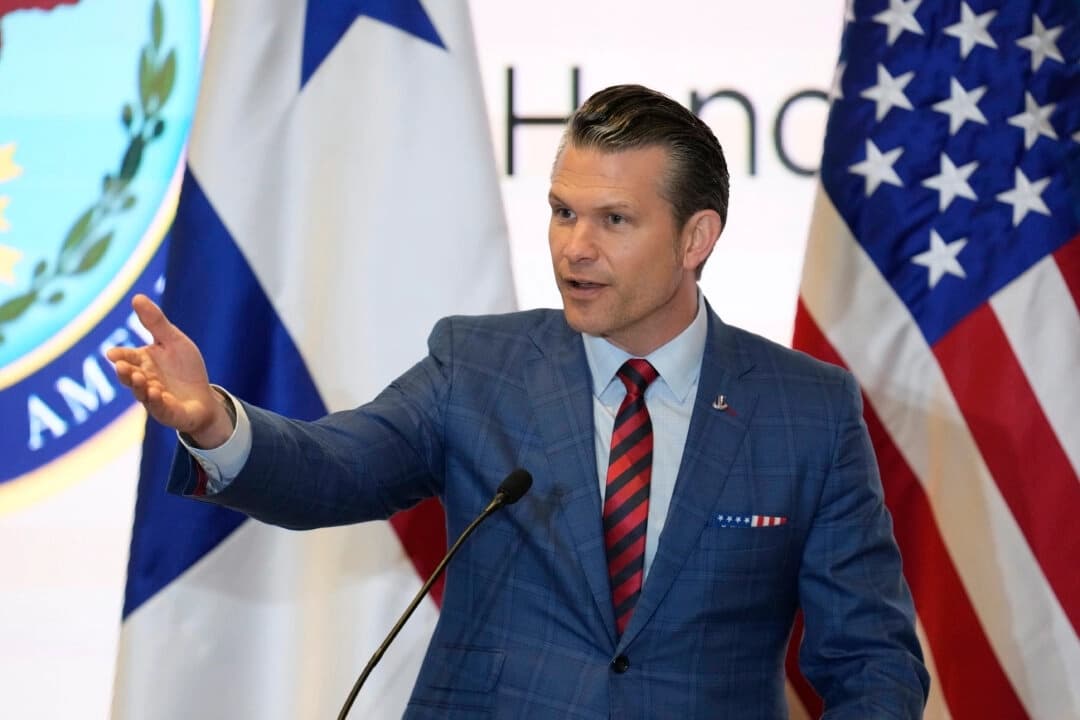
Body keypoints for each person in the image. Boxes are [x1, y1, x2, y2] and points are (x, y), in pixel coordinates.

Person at [108, 84, 929, 718]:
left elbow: (871, 658)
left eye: (614, 220)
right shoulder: (480, 366)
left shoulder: (806, 411)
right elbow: (336, 469)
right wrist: (215, 423)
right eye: (563, 212)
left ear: (695, 238)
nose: (576, 247)